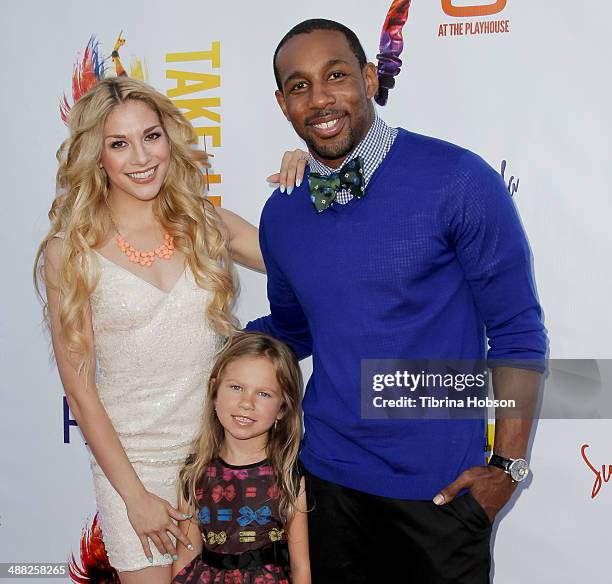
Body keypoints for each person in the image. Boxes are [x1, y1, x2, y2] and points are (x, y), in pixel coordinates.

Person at [246, 19, 547, 583]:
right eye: (299, 85)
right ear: (282, 103)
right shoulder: (282, 215)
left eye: (335, 76)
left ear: (367, 77)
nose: (319, 98)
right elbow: (294, 329)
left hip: (441, 495)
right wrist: (207, 343)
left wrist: (506, 467)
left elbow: (516, 330)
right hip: (328, 487)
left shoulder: (456, 179)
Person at [34, 76, 306, 583]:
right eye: (119, 144)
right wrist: (134, 497)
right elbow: (80, 389)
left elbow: (300, 257)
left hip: (221, 460)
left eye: (151, 136)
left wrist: (307, 179)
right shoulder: (69, 252)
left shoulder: (205, 223)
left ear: (170, 139)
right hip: (133, 468)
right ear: (97, 156)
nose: (141, 157)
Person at [171, 332, 310, 584]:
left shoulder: (289, 476)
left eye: (264, 394)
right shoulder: (194, 473)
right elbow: (185, 559)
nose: (247, 403)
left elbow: (301, 568)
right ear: (214, 393)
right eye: (236, 387)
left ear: (282, 408)